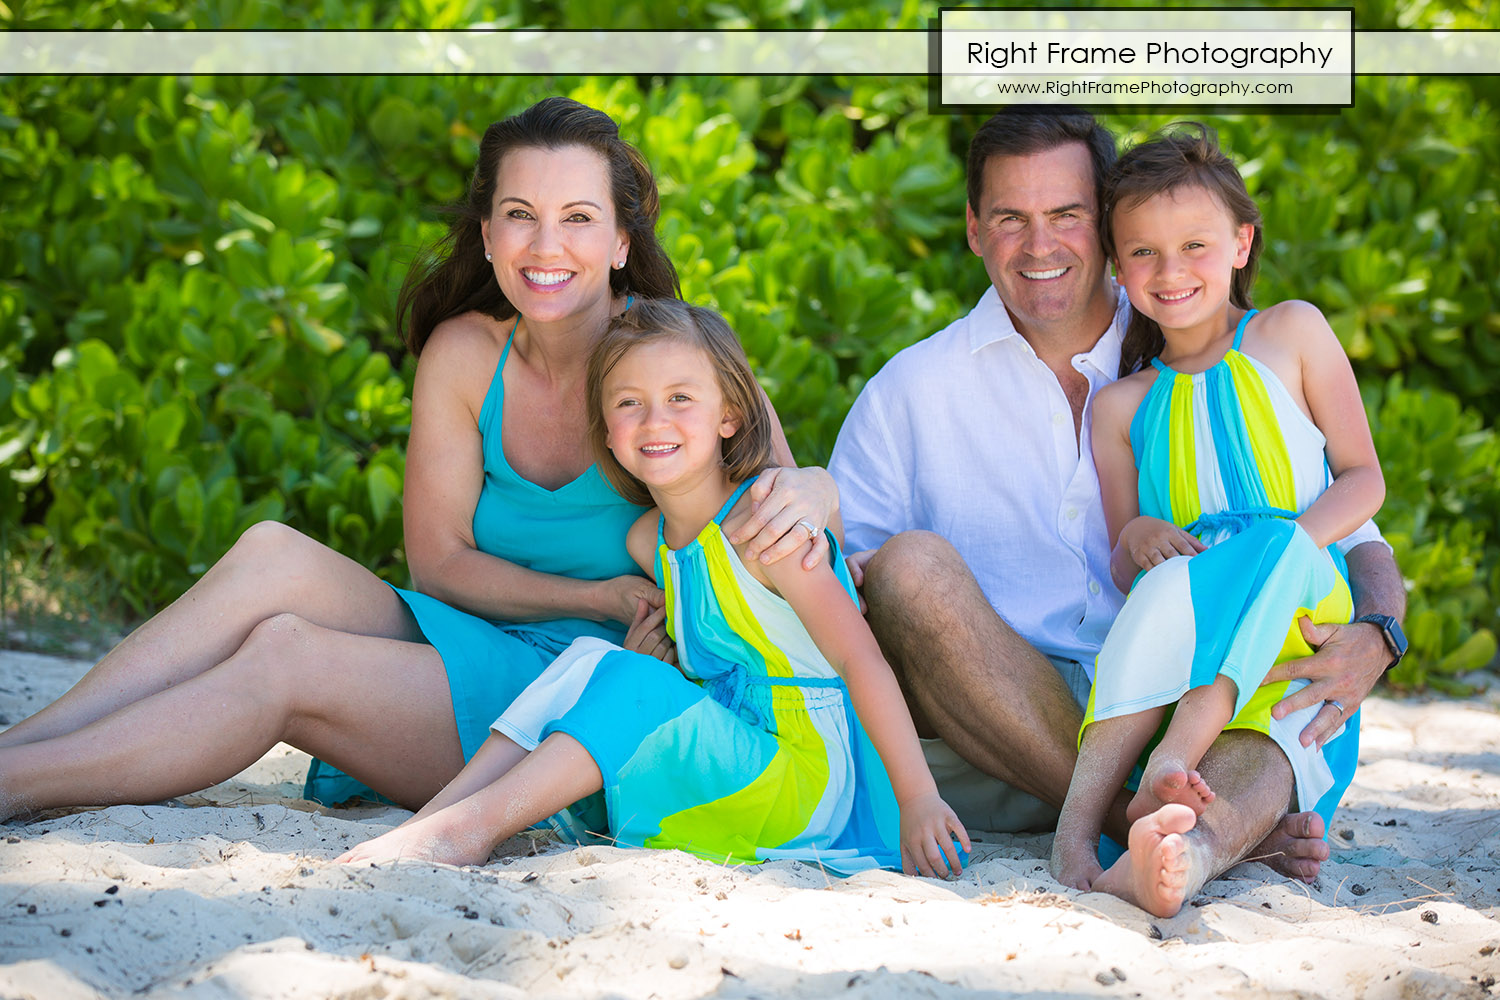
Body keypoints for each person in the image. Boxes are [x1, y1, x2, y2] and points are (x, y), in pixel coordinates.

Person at [0, 97, 835, 823]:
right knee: (270, 554)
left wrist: (820, 488)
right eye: (520, 213)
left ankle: (20, 781)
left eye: (579, 217)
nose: (547, 244)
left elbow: (785, 499)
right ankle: (20, 750)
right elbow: (437, 565)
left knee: (287, 653)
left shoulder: (674, 358)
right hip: (481, 631)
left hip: (596, 685)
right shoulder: (467, 353)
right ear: (488, 232)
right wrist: (601, 591)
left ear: (621, 241)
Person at [828, 108, 1407, 897]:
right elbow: (844, 589)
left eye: (1066, 214)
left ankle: (1191, 838)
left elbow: (1355, 512)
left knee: (1260, 712)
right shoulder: (909, 393)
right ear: (971, 228)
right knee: (907, 568)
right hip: (1004, 711)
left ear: (1102, 224)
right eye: (1009, 218)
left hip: (1205, 689)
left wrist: (1380, 632)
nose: (1040, 246)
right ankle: (1161, 826)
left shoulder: (1216, 331)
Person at [338, 299, 971, 877]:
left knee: (629, 681)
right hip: (739, 754)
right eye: (629, 402)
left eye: (680, 399)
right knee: (594, 657)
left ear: (730, 415)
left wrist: (918, 798)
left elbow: (860, 660)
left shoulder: (767, 527)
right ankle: (441, 819)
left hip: (807, 782)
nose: (654, 420)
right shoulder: (652, 541)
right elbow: (718, 654)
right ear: (606, 430)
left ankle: (471, 831)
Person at [1049, 125, 1386, 916]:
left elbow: (1365, 479)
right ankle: (1092, 836)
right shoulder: (1121, 405)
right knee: (1163, 592)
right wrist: (1135, 540)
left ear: (1241, 242)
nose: (1170, 272)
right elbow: (1126, 562)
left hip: (1300, 610)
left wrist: (1289, 548)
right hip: (1187, 624)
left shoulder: (1290, 332)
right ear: (1117, 265)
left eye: (1194, 245)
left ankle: (1183, 822)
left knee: (1264, 559)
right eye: (1143, 253)